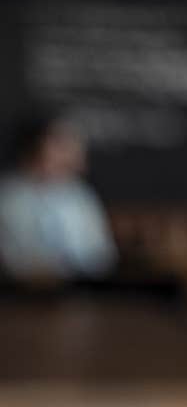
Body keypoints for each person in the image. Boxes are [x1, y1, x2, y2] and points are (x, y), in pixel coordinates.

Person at [0, 112, 117, 285]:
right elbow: (15, 262)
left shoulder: (80, 195)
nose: (73, 152)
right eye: (61, 144)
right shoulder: (8, 197)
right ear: (35, 146)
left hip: (82, 292)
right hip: (20, 298)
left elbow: (102, 255)